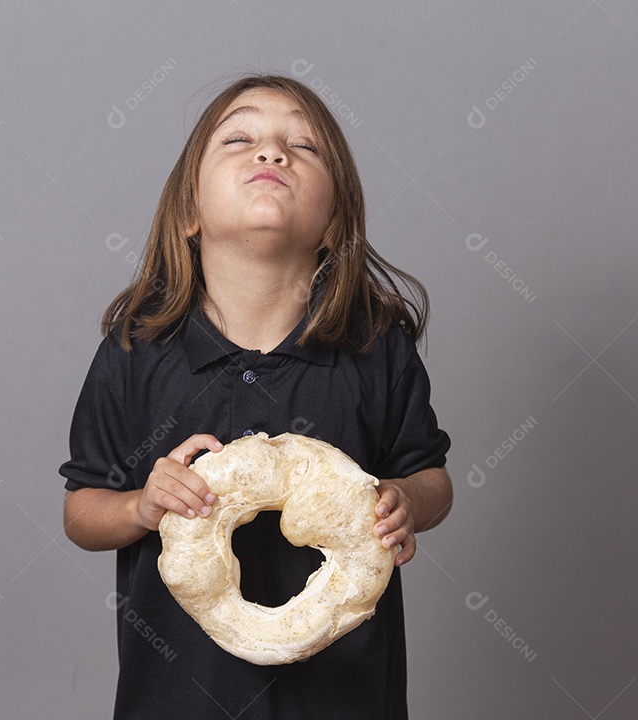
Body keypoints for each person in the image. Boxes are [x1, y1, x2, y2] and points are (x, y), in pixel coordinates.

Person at [59, 72, 453, 720]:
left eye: (303, 146)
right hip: (177, 700)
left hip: (345, 700)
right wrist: (142, 505)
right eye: (239, 138)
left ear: (334, 222)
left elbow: (430, 476)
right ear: (190, 211)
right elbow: (82, 509)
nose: (271, 153)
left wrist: (406, 500)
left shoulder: (374, 348)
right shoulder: (138, 351)